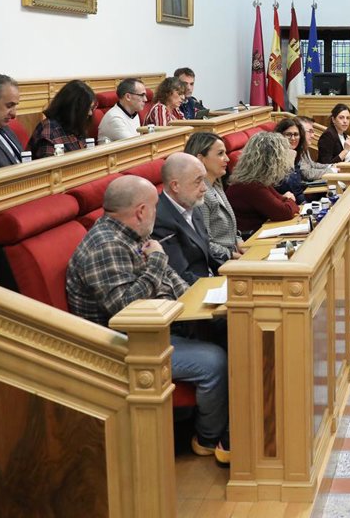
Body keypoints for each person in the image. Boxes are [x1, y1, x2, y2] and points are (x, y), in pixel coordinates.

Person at [64, 175, 229, 464]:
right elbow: (125, 311)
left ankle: (238, 422)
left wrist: (197, 302)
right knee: (213, 362)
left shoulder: (133, 236)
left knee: (228, 328)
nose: (157, 212)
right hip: (126, 346)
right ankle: (207, 438)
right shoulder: (106, 245)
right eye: (154, 206)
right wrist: (157, 261)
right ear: (141, 211)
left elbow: (172, 281)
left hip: (158, 328)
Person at [153, 152, 219, 285]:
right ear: (175, 186)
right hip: (194, 289)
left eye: (204, 180)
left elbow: (207, 254)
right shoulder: (160, 219)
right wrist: (220, 284)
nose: (204, 188)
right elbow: (181, 274)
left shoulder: (191, 203)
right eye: (198, 181)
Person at [226, 132, 300, 235]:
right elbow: (285, 212)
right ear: (272, 160)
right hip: (251, 238)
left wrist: (287, 200)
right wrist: (289, 200)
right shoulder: (251, 185)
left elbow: (282, 201)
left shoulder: (256, 179)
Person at [185, 132, 243, 262]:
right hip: (221, 262)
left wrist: (239, 242)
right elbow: (205, 243)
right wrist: (235, 256)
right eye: (220, 153)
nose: (227, 159)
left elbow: (230, 230)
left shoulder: (216, 185)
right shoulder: (200, 195)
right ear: (201, 159)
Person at [28, 79, 95, 159]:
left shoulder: (75, 126)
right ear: (74, 109)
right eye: (88, 109)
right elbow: (50, 165)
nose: (90, 113)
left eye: (91, 109)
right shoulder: (50, 131)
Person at [98, 78, 147, 142]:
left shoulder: (133, 113)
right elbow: (134, 144)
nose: (145, 99)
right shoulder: (114, 118)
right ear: (128, 97)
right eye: (142, 95)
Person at [274, 117, 309, 202]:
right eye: (288, 134)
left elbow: (297, 190)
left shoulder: (296, 153)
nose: (293, 138)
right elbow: (288, 187)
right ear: (280, 136)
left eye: (296, 134)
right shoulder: (274, 158)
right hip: (285, 203)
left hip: (301, 202)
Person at [296, 117, 334, 181]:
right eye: (310, 131)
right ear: (300, 132)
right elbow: (307, 174)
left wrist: (330, 166)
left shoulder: (303, 146)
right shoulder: (296, 149)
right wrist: (332, 170)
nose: (313, 135)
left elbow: (312, 164)